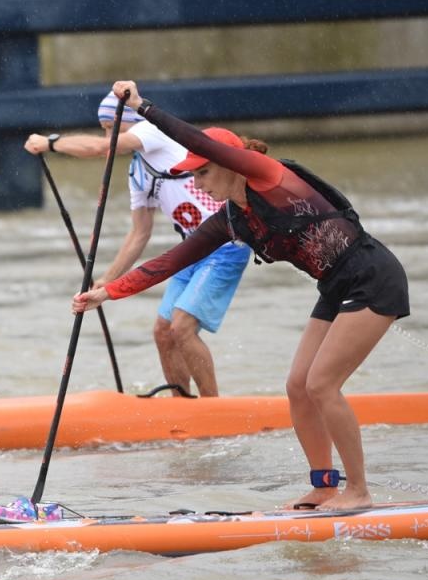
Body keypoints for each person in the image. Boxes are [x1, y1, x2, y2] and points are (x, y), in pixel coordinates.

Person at [72, 80, 410, 511]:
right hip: (335, 286)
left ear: (228, 164)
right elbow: (171, 260)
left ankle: (358, 491)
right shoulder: (231, 220)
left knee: (322, 384)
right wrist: (107, 293)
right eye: (192, 175)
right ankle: (324, 486)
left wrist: (143, 107)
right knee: (297, 387)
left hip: (372, 275)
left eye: (203, 172)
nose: (198, 183)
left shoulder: (267, 176)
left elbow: (195, 139)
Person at [24, 93, 252, 397]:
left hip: (226, 245)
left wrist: (51, 143)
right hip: (192, 249)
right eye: (104, 128)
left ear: (132, 124)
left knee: (182, 327)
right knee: (163, 332)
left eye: (113, 127)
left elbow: (100, 148)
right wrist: (106, 281)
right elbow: (139, 234)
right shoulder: (138, 172)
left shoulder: (152, 132)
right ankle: (181, 403)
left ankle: (213, 408)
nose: (110, 136)